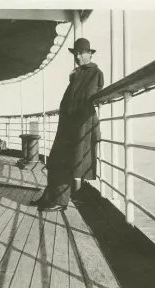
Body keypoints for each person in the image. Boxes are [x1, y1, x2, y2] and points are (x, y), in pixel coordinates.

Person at [30, 38, 104, 212]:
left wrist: (75, 77)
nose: (78, 56)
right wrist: (74, 77)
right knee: (55, 161)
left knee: (66, 162)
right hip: (68, 123)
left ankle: (60, 202)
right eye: (76, 53)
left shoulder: (95, 72)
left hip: (80, 124)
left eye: (82, 53)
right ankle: (49, 197)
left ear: (90, 53)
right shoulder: (77, 73)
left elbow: (88, 96)